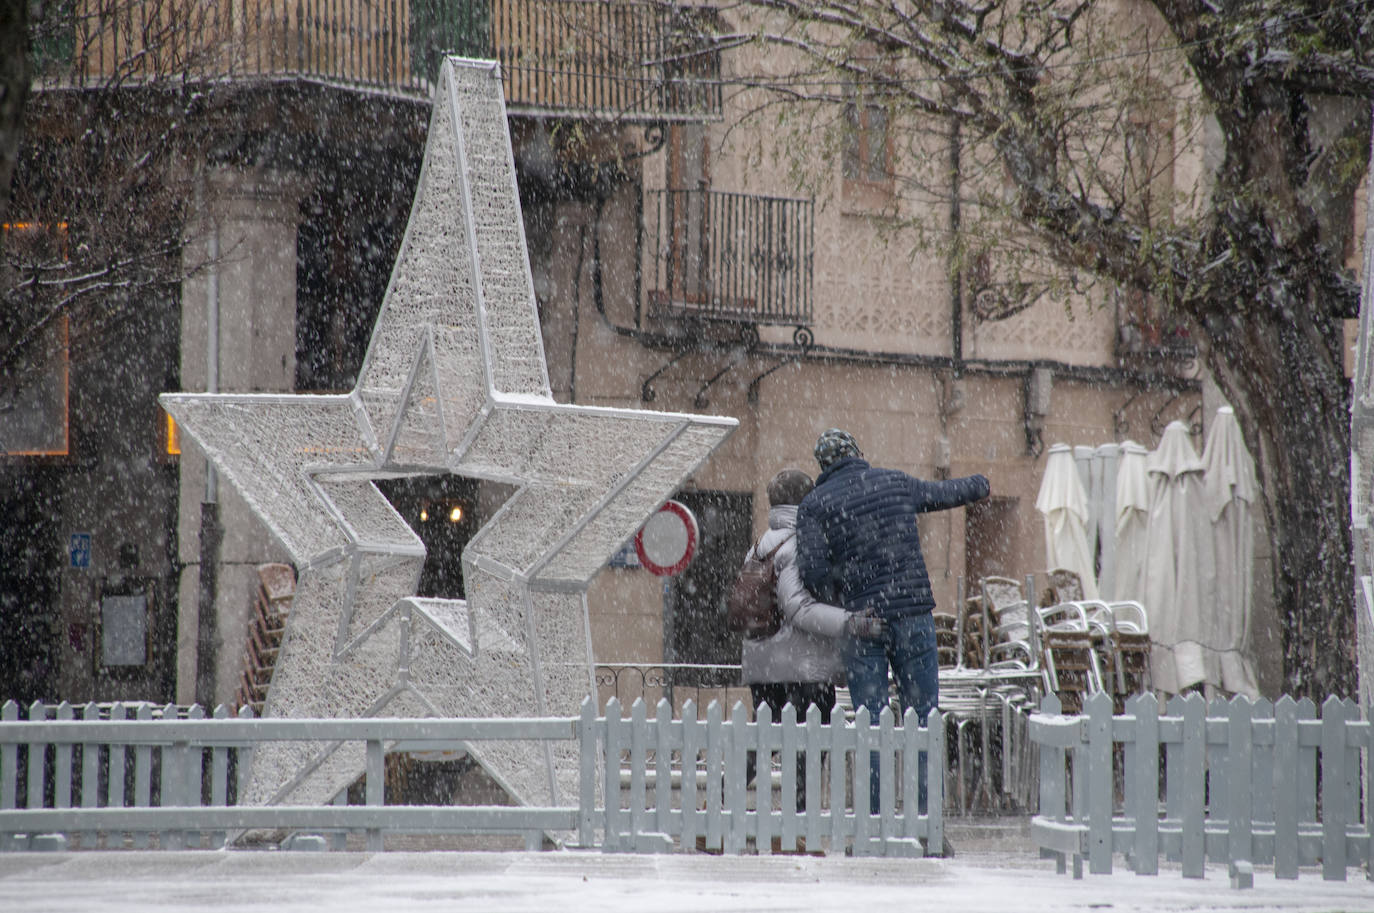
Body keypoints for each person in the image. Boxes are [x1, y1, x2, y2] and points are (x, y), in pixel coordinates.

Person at [796, 428, 989, 824]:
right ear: (857, 451)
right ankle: (924, 820)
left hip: (863, 622)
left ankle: (874, 821)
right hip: (914, 613)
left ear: (822, 465)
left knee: (870, 722)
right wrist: (979, 484)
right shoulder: (895, 482)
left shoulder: (814, 505)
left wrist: (848, 589)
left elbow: (812, 574)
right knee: (924, 719)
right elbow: (945, 493)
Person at [740, 468, 886, 811]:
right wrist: (852, 623)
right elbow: (798, 609)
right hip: (801, 665)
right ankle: (798, 823)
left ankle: (716, 806)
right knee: (811, 742)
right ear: (807, 501)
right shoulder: (798, 545)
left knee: (765, 737)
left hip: (763, 661)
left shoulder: (760, 545)